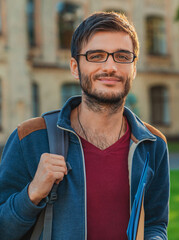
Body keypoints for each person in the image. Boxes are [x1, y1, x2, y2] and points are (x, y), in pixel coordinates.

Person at [0, 12, 169, 239]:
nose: (110, 67)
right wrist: (31, 194)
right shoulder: (30, 138)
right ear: (74, 67)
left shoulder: (152, 143)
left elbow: (155, 223)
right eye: (96, 56)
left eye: (122, 56)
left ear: (134, 68)